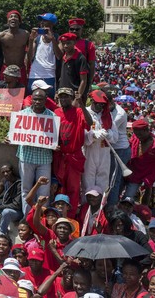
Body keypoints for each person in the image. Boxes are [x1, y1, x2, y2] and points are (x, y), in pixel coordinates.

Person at [53, 87, 91, 217]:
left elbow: (89, 123)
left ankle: (71, 217)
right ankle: (58, 216)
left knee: (73, 189)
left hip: (74, 157)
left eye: (66, 97)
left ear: (72, 98)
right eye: (61, 97)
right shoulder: (56, 112)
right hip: (59, 156)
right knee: (59, 188)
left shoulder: (79, 112)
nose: (63, 99)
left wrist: (82, 104)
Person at [16, 88, 55, 214]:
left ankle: (41, 219)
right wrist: (9, 137)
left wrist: (55, 144)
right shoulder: (22, 114)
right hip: (26, 157)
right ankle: (27, 219)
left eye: (40, 99)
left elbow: (55, 137)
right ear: (31, 99)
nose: (37, 101)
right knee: (26, 190)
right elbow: (15, 133)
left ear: (45, 100)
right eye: (35, 99)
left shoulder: (52, 116)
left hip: (44, 159)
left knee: (43, 191)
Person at [84, 90, 118, 193]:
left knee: (103, 180)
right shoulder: (85, 112)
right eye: (97, 103)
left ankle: (100, 207)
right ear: (92, 101)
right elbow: (81, 135)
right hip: (89, 152)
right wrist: (93, 135)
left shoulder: (108, 116)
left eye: (102, 104)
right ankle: (86, 206)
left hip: (104, 153)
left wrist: (109, 134)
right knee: (87, 180)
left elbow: (116, 137)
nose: (100, 107)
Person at [27, 13, 62, 97]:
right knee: (33, 99)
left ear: (52, 23)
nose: (42, 23)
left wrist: (53, 39)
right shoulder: (37, 38)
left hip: (49, 75)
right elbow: (29, 57)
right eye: (41, 21)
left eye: (44, 21)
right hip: (34, 74)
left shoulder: (57, 38)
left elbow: (59, 56)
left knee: (49, 99)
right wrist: (31, 40)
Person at [126, 118, 155, 201]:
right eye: (136, 134)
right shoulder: (134, 138)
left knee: (145, 200)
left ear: (147, 131)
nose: (138, 137)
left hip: (148, 177)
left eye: (140, 135)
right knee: (128, 198)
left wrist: (151, 178)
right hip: (133, 175)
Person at [66, 18, 96, 94]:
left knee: (79, 101)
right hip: (67, 77)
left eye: (77, 29)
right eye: (72, 29)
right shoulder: (64, 43)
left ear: (81, 30)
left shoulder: (89, 45)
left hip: (81, 79)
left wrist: (89, 81)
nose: (74, 31)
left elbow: (92, 64)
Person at [58, 33, 89, 99]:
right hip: (62, 94)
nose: (65, 46)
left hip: (72, 96)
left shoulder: (80, 58)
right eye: (63, 43)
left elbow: (83, 80)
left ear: (74, 42)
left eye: (68, 43)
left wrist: (78, 97)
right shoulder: (63, 57)